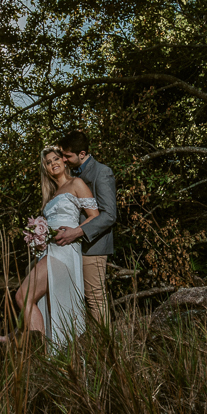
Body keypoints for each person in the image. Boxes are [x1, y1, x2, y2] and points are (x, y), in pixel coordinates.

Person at [2, 145, 100, 349]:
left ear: (64, 161)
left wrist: (74, 232)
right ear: (45, 168)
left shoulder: (76, 183)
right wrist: (37, 238)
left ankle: (36, 347)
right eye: (48, 162)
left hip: (65, 249)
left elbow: (95, 216)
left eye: (56, 159)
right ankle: (48, 351)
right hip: (49, 250)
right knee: (44, 302)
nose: (53, 163)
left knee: (23, 296)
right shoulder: (50, 196)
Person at [53, 131, 116, 327]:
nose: (63, 159)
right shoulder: (71, 174)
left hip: (94, 246)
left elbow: (109, 215)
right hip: (73, 247)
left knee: (95, 298)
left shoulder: (102, 172)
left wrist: (77, 232)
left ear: (82, 153)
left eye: (67, 156)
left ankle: (107, 350)